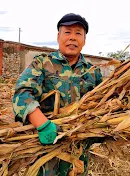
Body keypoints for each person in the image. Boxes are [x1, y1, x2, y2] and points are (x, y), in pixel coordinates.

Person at [12, 13, 103, 176]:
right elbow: (22, 93)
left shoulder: (93, 72)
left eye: (78, 33)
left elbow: (103, 105)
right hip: (45, 149)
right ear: (58, 36)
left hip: (78, 152)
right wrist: (43, 124)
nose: (72, 38)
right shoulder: (42, 63)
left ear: (84, 40)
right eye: (67, 32)